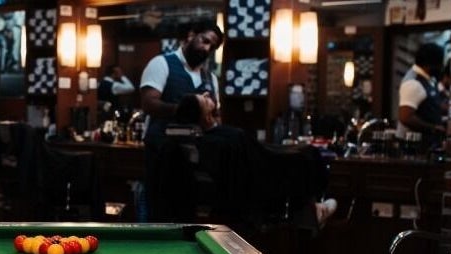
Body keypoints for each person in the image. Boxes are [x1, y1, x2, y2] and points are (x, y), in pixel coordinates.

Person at [165, 93, 336, 230]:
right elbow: (259, 159)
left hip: (251, 168)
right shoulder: (228, 139)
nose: (207, 94)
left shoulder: (216, 140)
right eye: (204, 99)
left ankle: (312, 208)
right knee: (305, 156)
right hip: (258, 174)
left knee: (303, 155)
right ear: (206, 116)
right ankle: (314, 209)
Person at [138, 19, 223, 221]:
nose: (206, 48)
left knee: (188, 217)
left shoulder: (211, 78)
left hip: (195, 159)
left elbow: (217, 117)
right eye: (204, 41)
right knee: (160, 214)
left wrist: (209, 115)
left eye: (212, 46)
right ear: (191, 35)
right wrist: (188, 107)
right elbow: (148, 103)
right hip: (162, 153)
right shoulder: (161, 63)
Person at [396, 43, 447, 150]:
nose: (441, 67)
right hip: (413, 148)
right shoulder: (413, 83)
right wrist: (433, 128)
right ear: (431, 64)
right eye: (440, 64)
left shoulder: (427, 80)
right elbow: (406, 117)